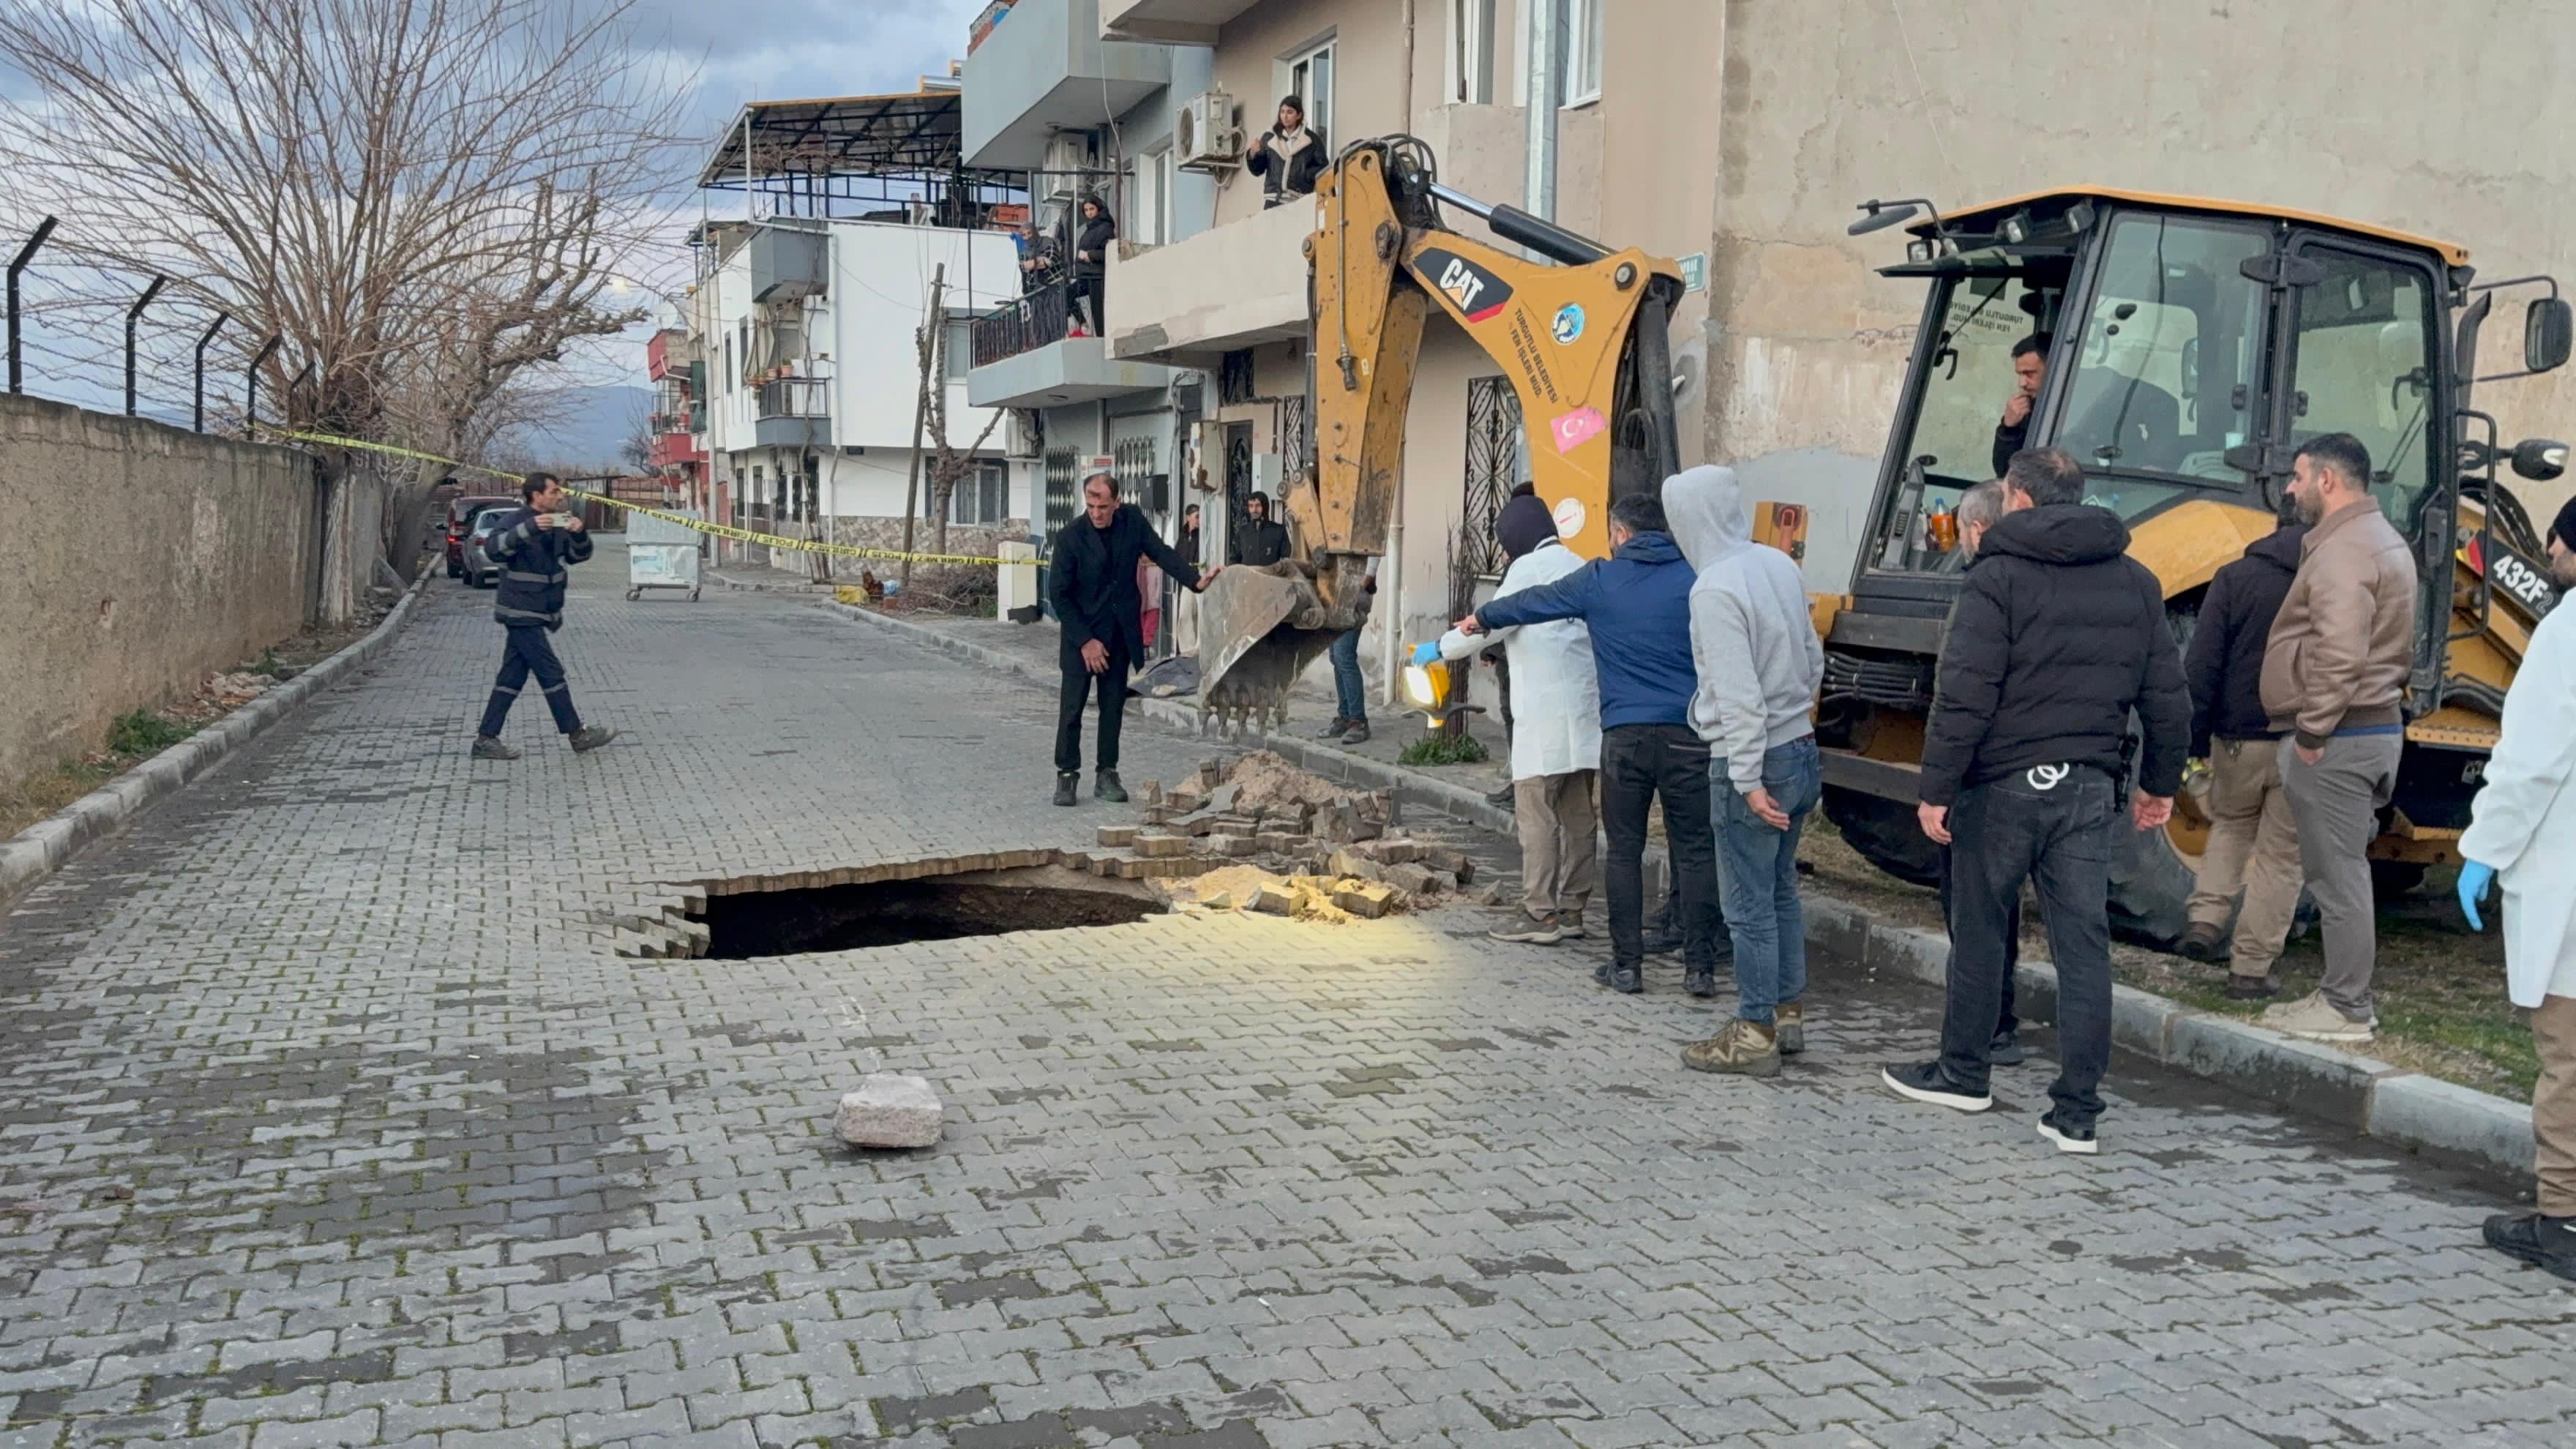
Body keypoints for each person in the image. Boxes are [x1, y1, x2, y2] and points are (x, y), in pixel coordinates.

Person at [1885, 447, 2189, 1154]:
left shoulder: (1996, 578)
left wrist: (1935, 789)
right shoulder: (2137, 582)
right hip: (2087, 788)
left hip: (2000, 786)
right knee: (2084, 947)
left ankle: (1964, 1073)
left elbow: (1964, 694)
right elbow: (2167, 698)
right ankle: (2077, 1113)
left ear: (2017, 499)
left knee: (1983, 928)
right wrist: (2160, 785)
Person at [1459, 489, 1726, 996]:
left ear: (1621, 534)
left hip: (1625, 737)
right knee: (1694, 851)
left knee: (1625, 850)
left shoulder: (1601, 579)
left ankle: (1626, 966)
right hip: (1690, 736)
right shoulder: (1697, 581)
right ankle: (1700, 970)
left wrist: (1484, 619)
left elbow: (1535, 602)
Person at [2256, 433, 2416, 1044]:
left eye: (2298, 477)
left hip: (2340, 735)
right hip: (2367, 727)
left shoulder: (2345, 551)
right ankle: (2340, 996)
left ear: (2328, 480)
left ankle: (2347, 1007)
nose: (2291, 489)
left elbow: (2341, 652)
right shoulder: (2378, 540)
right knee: (2341, 870)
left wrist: (2313, 731)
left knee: (2336, 875)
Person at [1668, 466, 1826, 1077]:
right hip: (1800, 747)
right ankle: (1789, 1014)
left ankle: (1754, 1031)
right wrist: (1794, 726)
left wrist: (1747, 778)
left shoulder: (1713, 588)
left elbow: (1737, 696)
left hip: (1751, 759)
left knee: (1747, 905)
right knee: (1781, 887)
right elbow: (1811, 659)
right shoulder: (1777, 564)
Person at [2459, 495, 2576, 1282]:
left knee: (2567, 1056)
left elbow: (2532, 758)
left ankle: (2562, 1219)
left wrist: (2482, 849)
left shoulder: (2567, 629)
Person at [1427, 493, 1600, 945]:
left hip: (1543, 720)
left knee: (1537, 815)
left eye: (1505, 542)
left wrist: (1438, 650)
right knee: (1580, 816)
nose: (1504, 553)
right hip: (1584, 718)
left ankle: (1539, 914)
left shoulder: (1525, 572)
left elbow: (1489, 624)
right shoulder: (1581, 564)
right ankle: (1573, 910)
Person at [2179, 515, 2312, 997]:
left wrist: (2195, 742)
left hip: (2236, 739)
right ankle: (2250, 969)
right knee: (2281, 857)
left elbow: (2202, 664)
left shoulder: (2236, 577)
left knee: (2231, 826)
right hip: (2302, 741)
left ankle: (2206, 918)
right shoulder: (2330, 580)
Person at [1048, 472, 1215, 806]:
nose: (1096, 513)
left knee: (1113, 709)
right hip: (1082, 637)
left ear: (1117, 503)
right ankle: (1067, 775)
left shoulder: (1132, 522)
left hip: (1119, 635)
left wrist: (1196, 582)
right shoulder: (1069, 537)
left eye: (1103, 506)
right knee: (1071, 711)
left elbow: (1163, 553)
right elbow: (1059, 596)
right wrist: (1086, 642)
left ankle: (1107, 773)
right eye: (1091, 505)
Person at [1942, 477, 2025, 1064]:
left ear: (1975, 530)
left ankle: (1981, 1033)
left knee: (1975, 907)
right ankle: (2002, 1015)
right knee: (2005, 903)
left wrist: (1938, 784)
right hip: (2034, 771)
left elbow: (1961, 694)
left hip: (1984, 771)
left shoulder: (1983, 588)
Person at [472, 472, 616, 760]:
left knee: (511, 677)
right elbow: (493, 550)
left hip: (542, 611)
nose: (560, 496)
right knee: (551, 672)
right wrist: (530, 528)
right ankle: (577, 733)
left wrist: (579, 532)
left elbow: (579, 556)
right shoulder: (515, 522)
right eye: (554, 492)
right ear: (536, 495)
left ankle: (486, 739)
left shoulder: (559, 523)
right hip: (520, 612)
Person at [1317, 572, 1377, 745]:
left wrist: (1358, 586)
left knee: (1344, 657)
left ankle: (1358, 722)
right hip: (1337, 596)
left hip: (1351, 598)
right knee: (1336, 657)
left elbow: (1372, 560)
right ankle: (1345, 717)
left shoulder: (1366, 544)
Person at [1245, 95, 1327, 206]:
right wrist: (1253, 154)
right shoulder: (1270, 137)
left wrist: (1303, 176)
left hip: (1299, 200)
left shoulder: (1312, 140)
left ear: (1299, 115)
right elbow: (1258, 170)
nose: (1285, 116)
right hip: (1273, 199)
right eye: (1282, 112)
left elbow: (1323, 168)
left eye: (1290, 112)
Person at [1991, 334, 2051, 477]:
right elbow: (2005, 471)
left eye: (2029, 374)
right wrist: (2009, 429)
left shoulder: (2079, 403)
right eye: (2020, 374)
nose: (2022, 383)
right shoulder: (2028, 408)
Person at [1068, 195, 1117, 335]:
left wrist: (1088, 255)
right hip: (1085, 275)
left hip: (1097, 277)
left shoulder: (1105, 227)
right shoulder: (1089, 228)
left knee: (1099, 314)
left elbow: (1109, 252)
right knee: (1066, 295)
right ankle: (1083, 323)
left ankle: (1103, 340)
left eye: (1092, 209)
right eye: (1086, 210)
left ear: (1098, 208)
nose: (1089, 213)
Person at [1228, 490, 1290, 567]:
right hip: (1248, 578)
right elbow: (1234, 560)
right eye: (1251, 506)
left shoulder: (1279, 531)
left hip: (1270, 578)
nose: (1254, 510)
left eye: (1258, 506)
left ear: (1265, 507)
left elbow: (1287, 561)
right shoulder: (1243, 532)